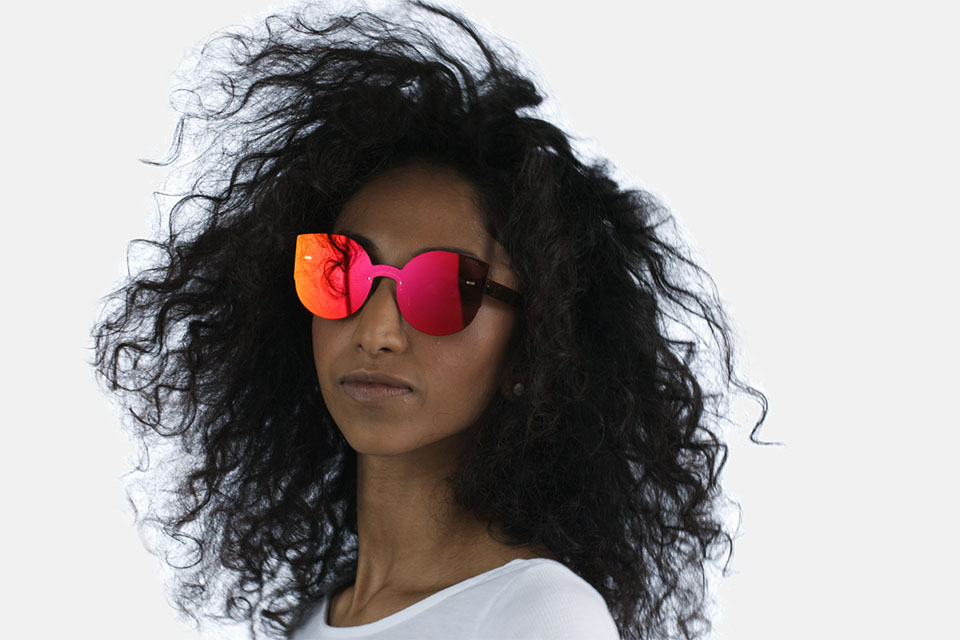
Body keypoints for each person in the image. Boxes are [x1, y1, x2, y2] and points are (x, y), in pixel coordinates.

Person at [92, 1, 766, 639]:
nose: (376, 332)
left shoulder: (538, 617)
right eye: (341, 272)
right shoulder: (314, 621)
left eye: (445, 289)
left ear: (531, 352)